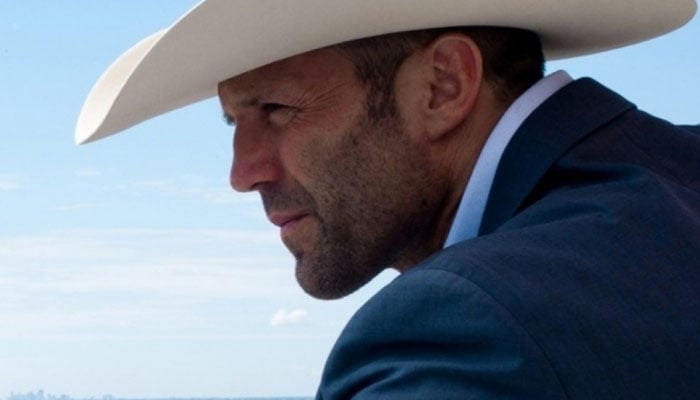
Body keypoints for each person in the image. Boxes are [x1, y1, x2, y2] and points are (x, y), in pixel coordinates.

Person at [76, 1, 700, 398]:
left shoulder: (461, 330)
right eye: (233, 123)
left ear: (443, 86)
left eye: (276, 108)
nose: (243, 173)